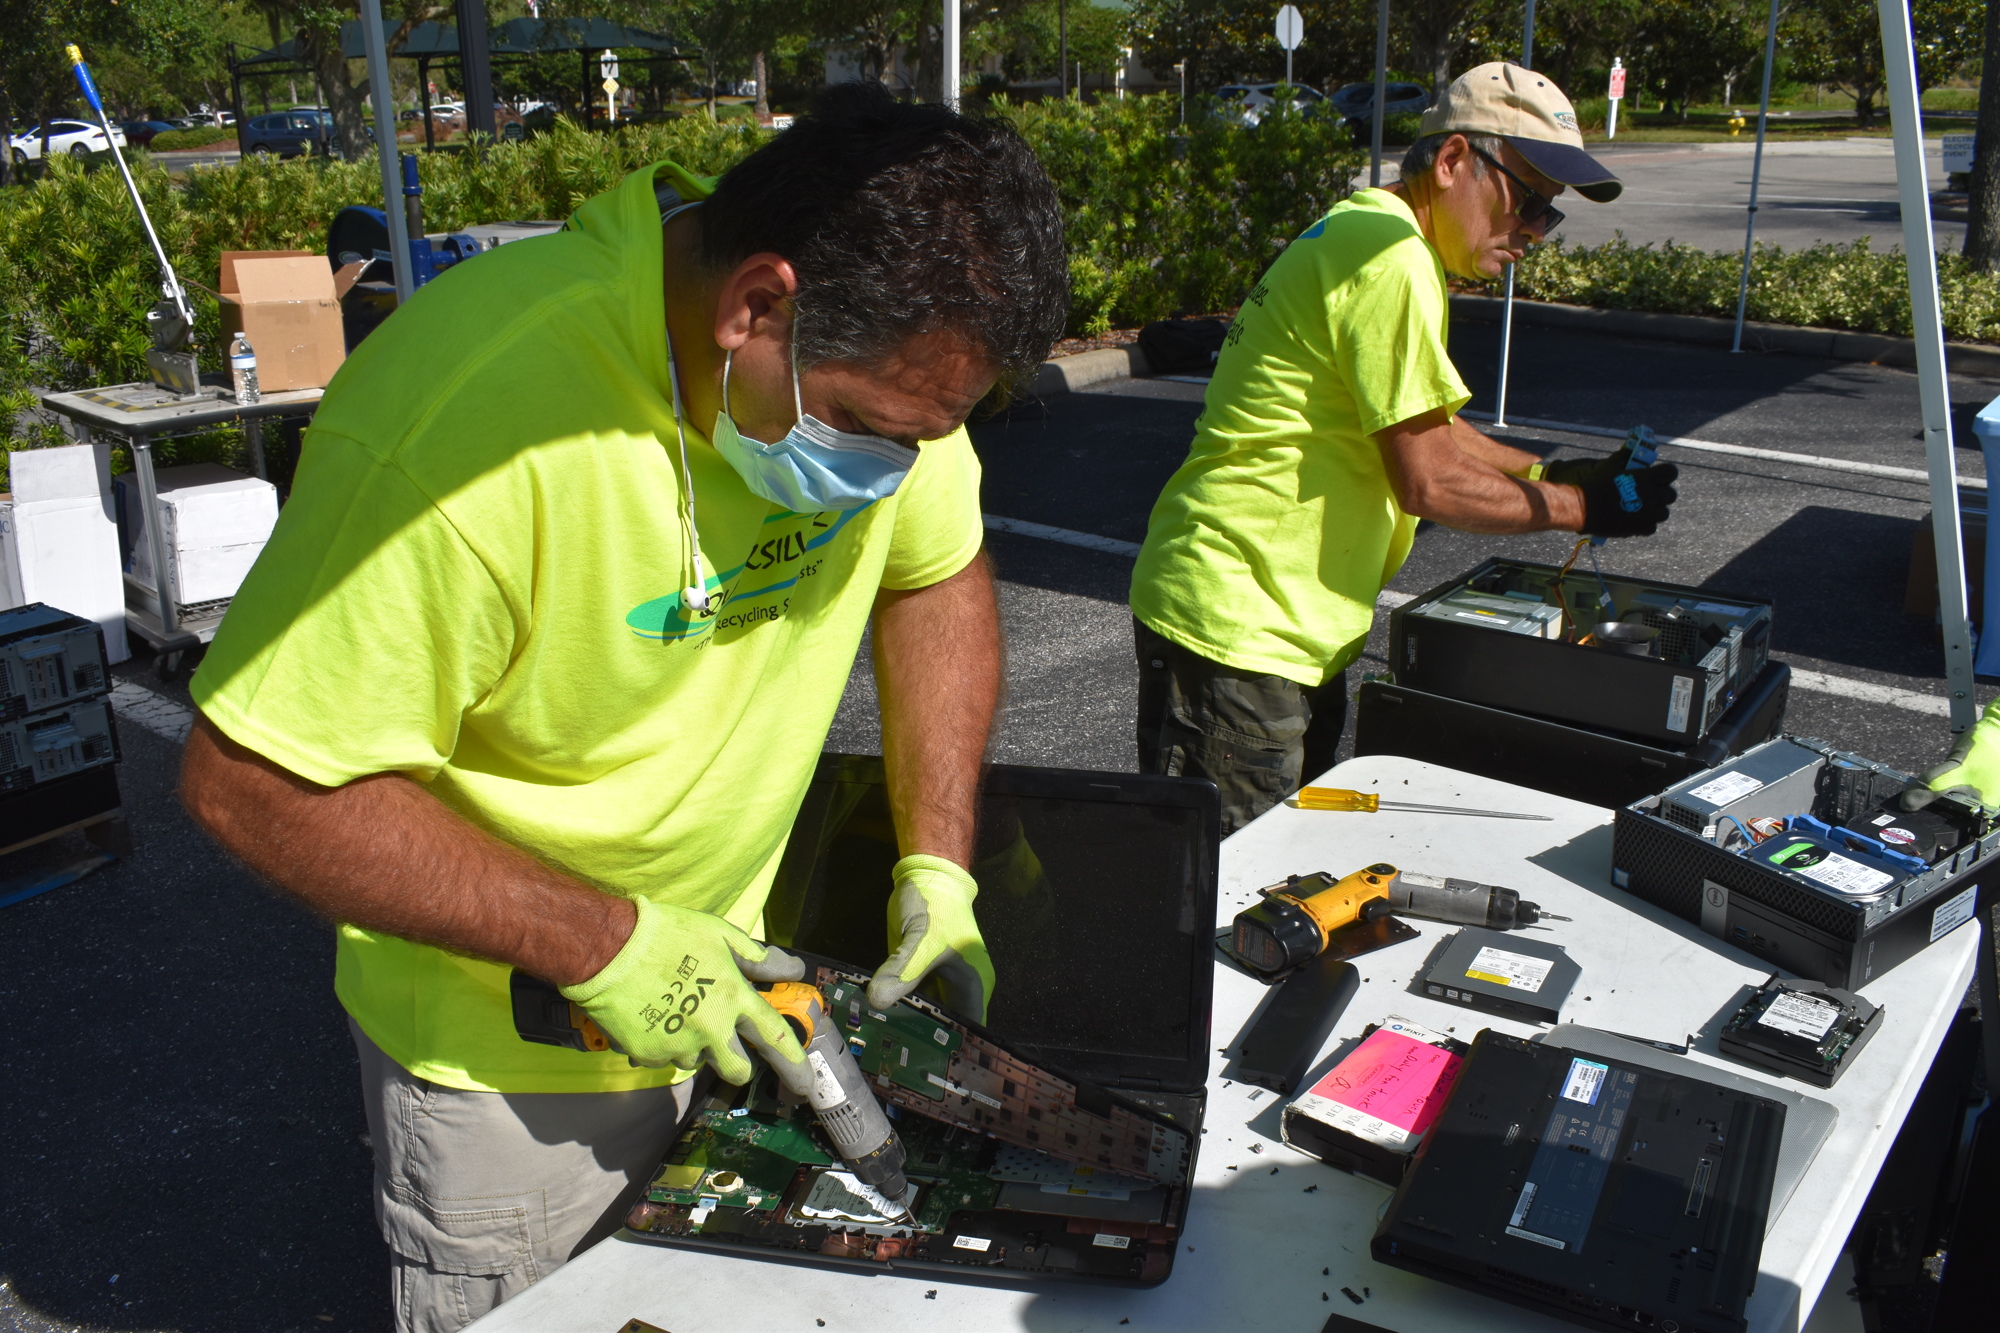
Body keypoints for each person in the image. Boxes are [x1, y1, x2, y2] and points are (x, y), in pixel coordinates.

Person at [178, 86, 1067, 1332]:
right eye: (863, 429)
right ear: (755, 306)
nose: (880, 468)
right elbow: (255, 781)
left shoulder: (890, 370)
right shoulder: (470, 420)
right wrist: (605, 942)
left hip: (739, 1000)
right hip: (513, 1068)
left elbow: (934, 567)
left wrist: (937, 858)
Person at [1128, 61, 1680, 833]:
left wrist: (1549, 471)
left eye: (1548, 217)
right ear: (1453, 162)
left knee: (1266, 868)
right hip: (1242, 626)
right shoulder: (1392, 262)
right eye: (1525, 200)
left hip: (1274, 620)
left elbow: (1423, 422)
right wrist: (1580, 504)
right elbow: (1427, 480)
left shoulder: (1368, 229)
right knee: (1226, 893)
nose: (1531, 232)